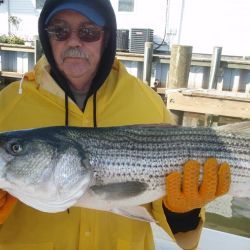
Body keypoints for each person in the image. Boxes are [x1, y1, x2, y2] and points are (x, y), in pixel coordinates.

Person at [0, 0, 230, 249]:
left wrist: (182, 212)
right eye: (60, 31)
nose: (74, 41)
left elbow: (183, 233)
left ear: (106, 37)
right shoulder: (6, 105)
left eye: (88, 32)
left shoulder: (148, 102)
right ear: (47, 37)